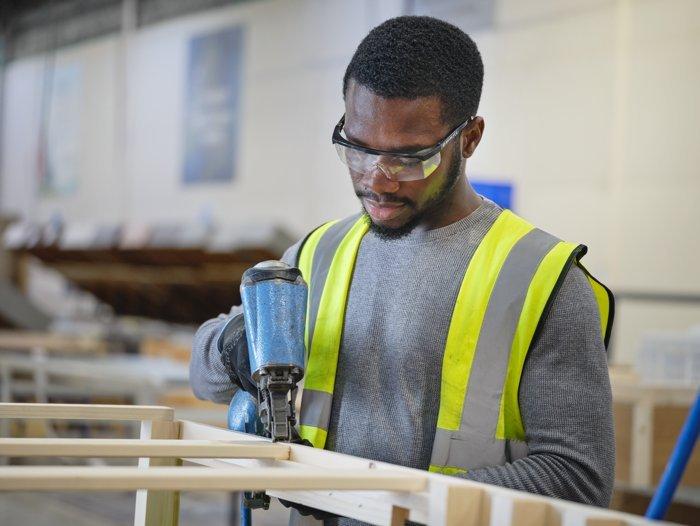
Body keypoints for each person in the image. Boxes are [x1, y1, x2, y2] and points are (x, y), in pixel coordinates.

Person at [190, 15, 615, 522]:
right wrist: (234, 347)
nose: (379, 180)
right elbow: (204, 378)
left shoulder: (541, 278)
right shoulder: (318, 252)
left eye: (410, 157)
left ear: (470, 138)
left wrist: (390, 507)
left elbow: (577, 478)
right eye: (358, 149)